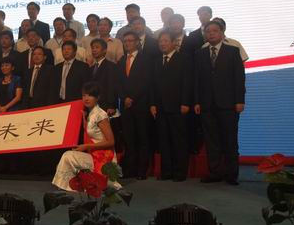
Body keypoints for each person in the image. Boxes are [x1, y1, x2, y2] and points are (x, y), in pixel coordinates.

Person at [194, 20, 245, 185]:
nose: (211, 33)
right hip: (206, 104)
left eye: (214, 31)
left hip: (228, 104)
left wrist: (240, 100)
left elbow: (239, 78)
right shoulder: (200, 54)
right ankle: (215, 172)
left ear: (222, 33)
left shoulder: (233, 51)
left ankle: (231, 174)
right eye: (208, 31)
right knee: (212, 141)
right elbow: (197, 80)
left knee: (230, 140)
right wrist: (197, 101)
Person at [52, 82, 118, 191]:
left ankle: (66, 186)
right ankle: (66, 185)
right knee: (68, 156)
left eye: (90, 95)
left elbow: (111, 142)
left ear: (97, 97)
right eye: (84, 95)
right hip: (93, 155)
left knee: (68, 156)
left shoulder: (100, 115)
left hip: (104, 158)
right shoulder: (91, 113)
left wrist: (86, 146)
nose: (86, 98)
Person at [150, 31, 192, 182]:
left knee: (178, 140)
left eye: (166, 41)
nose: (162, 43)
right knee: (164, 141)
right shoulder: (156, 61)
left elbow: (187, 82)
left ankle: (180, 172)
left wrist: (185, 102)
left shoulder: (184, 59)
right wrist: (153, 104)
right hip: (160, 107)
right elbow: (153, 85)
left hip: (178, 106)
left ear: (174, 42)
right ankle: (166, 171)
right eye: (160, 41)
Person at [117, 31, 152, 180]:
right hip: (126, 106)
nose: (127, 43)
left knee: (142, 138)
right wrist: (124, 97)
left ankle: (141, 170)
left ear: (137, 42)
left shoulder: (145, 59)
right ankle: (130, 169)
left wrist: (132, 98)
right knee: (129, 139)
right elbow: (118, 83)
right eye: (125, 41)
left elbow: (146, 81)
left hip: (141, 104)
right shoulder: (121, 60)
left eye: (130, 41)